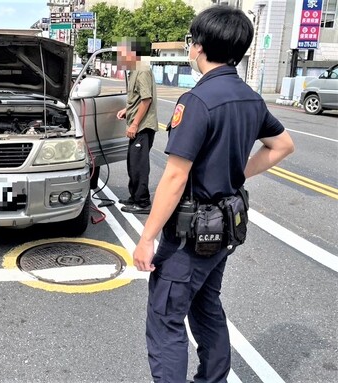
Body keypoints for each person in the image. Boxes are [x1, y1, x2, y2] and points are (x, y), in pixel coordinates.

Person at [133, 6, 294, 383]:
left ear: (199, 47)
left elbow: (175, 177)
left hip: (190, 233)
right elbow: (283, 145)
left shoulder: (197, 101)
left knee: (166, 318)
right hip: (224, 228)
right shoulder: (250, 97)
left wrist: (146, 238)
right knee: (206, 306)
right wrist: (240, 172)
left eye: (191, 42)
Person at [115, 37, 158, 214]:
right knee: (133, 163)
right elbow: (138, 97)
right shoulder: (135, 70)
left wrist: (134, 124)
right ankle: (134, 197)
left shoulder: (142, 70)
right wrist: (127, 109)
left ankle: (142, 202)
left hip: (142, 127)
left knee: (139, 166)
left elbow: (146, 100)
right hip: (138, 126)